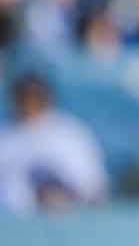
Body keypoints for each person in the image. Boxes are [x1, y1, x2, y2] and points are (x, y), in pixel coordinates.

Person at [0, 72, 109, 215]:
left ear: (46, 99)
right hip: (16, 221)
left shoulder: (69, 133)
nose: (29, 104)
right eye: (24, 98)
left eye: (35, 98)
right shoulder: (5, 136)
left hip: (69, 219)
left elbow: (93, 184)